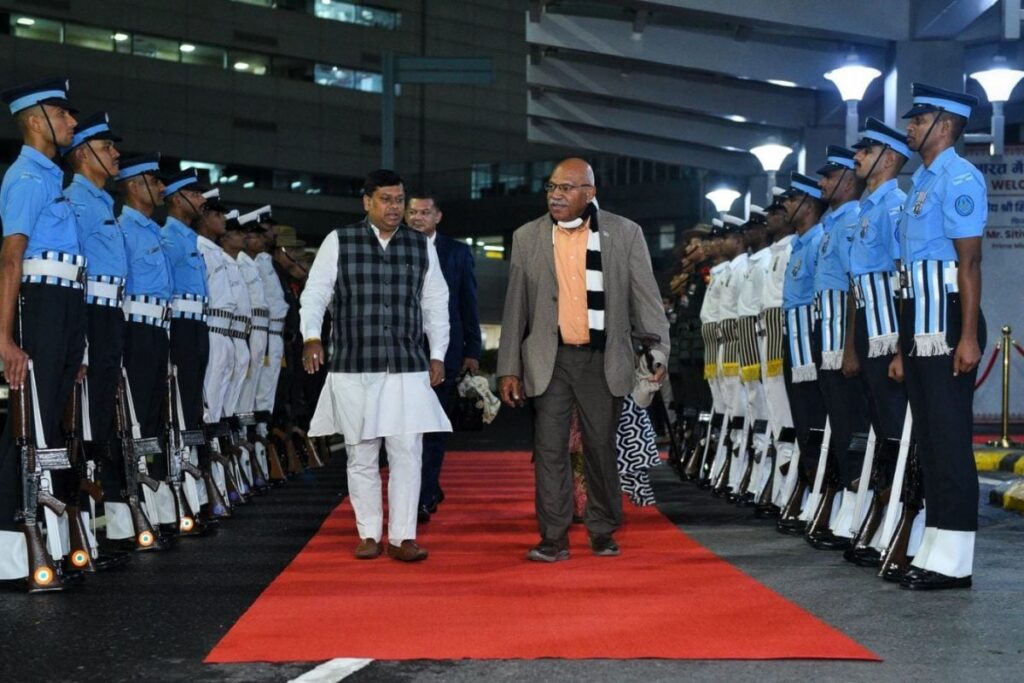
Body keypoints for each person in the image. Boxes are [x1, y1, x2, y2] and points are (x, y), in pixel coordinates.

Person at [496, 157, 669, 562]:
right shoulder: (527, 236)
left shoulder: (625, 234)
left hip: (602, 359)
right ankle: (553, 538)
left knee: (600, 448)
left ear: (589, 193)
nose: (556, 194)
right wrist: (508, 367)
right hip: (549, 359)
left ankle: (603, 528)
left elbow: (646, 299)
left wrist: (658, 351)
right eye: (552, 187)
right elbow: (514, 309)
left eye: (566, 188)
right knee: (550, 449)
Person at [300, 169, 450, 562]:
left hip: (407, 365)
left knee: (407, 452)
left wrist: (438, 353)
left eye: (399, 200)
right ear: (367, 202)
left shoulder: (421, 245)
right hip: (353, 365)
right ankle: (368, 533)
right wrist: (311, 336)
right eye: (386, 199)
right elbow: (316, 293)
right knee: (361, 453)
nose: (394, 207)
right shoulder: (339, 241)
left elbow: (436, 302)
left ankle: (403, 537)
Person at [895, 83, 986, 590]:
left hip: (949, 319)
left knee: (950, 438)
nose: (910, 126)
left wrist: (968, 336)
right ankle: (934, 545)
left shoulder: (959, 177)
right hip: (919, 319)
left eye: (918, 118)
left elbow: (969, 262)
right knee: (929, 439)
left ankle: (955, 559)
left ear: (944, 125)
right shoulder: (923, 181)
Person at [0, 77, 83, 590]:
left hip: (65, 305)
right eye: (63, 112)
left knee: (47, 425)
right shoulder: (27, 177)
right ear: (35, 119)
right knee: (26, 431)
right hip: (42, 304)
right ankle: (13, 553)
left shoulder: (50, 178)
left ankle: (43, 546)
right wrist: (5, 338)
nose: (72, 121)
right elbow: (11, 256)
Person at [61, 111, 133, 570]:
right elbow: (80, 279)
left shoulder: (102, 203)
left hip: (111, 317)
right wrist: (83, 345)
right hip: (91, 316)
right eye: (108, 149)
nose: (116, 155)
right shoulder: (77, 202)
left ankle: (97, 532)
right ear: (84, 154)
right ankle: (82, 535)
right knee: (84, 433)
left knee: (101, 428)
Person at [844, 118, 914, 567]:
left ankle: (904, 518)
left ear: (888, 158)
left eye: (865, 152)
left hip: (889, 332)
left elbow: (901, 281)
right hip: (870, 330)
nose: (857, 159)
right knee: (879, 427)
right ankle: (885, 518)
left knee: (895, 428)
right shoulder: (869, 208)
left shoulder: (894, 207)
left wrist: (898, 347)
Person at [404, 190, 481, 523]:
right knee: (405, 430)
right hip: (402, 353)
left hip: (445, 354)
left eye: (424, 213)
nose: (417, 218)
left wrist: (472, 351)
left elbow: (469, 303)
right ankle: (421, 490)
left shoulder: (457, 253)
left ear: (438, 217)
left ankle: (424, 494)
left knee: (433, 428)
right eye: (412, 213)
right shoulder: (392, 247)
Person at [808, 146, 870, 549]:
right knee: (837, 425)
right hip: (826, 339)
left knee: (851, 429)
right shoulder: (834, 223)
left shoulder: (852, 221)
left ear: (849, 178)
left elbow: (853, 289)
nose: (823, 183)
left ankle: (855, 514)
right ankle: (845, 514)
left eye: (830, 176)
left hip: (841, 343)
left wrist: (850, 347)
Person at [114, 154, 176, 548]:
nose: (160, 189)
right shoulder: (124, 228)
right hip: (135, 329)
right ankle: (128, 515)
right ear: (135, 185)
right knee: (133, 422)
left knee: (152, 419)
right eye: (154, 182)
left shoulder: (152, 230)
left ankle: (151, 507)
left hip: (158, 329)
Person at [776, 173, 828, 535]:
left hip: (809, 341)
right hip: (793, 341)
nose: (786, 207)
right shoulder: (798, 244)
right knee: (803, 421)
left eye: (792, 200)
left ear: (808, 204)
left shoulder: (818, 240)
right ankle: (811, 494)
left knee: (814, 421)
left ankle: (822, 495)